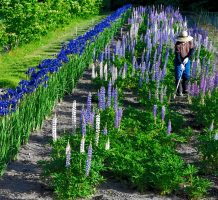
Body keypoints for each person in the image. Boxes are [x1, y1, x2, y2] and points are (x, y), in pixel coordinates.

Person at [174, 30, 195, 96]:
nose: (184, 41)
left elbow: (192, 50)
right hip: (178, 60)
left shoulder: (190, 42)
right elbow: (177, 55)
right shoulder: (177, 44)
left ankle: (185, 89)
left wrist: (188, 57)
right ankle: (179, 91)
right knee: (178, 76)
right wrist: (180, 63)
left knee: (186, 75)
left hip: (187, 59)